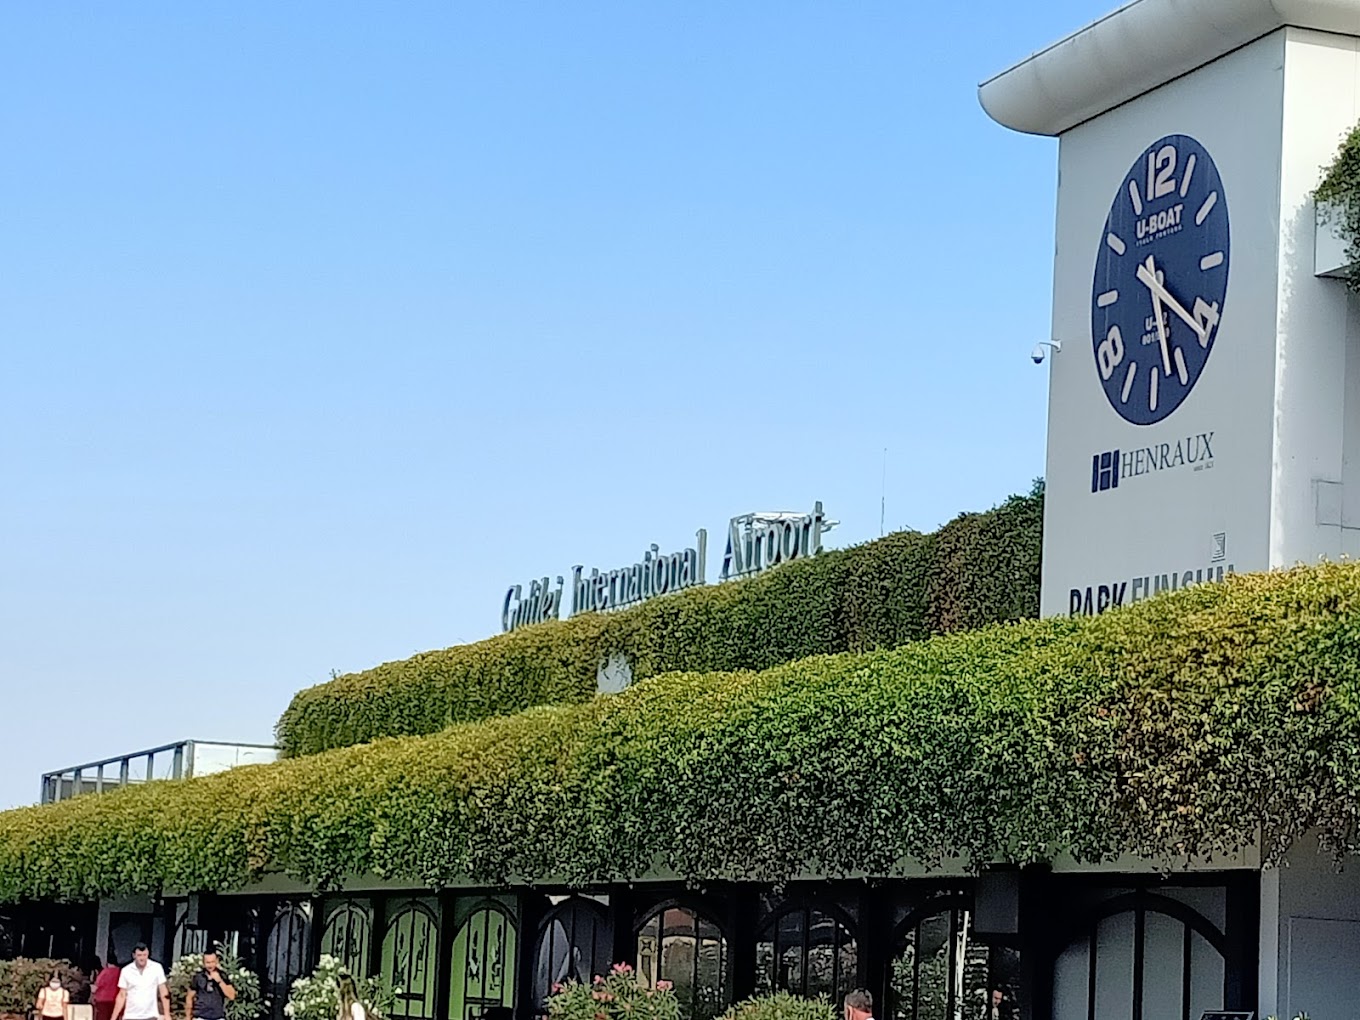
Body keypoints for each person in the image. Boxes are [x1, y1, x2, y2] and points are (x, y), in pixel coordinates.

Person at [112, 944, 171, 1020]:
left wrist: (167, 1015)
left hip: (150, 1016)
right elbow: (121, 995)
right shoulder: (126, 970)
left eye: (144, 955)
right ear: (134, 955)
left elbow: (163, 992)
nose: (142, 958)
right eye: (139, 955)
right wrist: (113, 1017)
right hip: (131, 1016)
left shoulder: (156, 968)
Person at [185, 950, 236, 1020]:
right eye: (208, 962)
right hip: (200, 1016)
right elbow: (189, 997)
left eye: (212, 962)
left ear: (217, 961)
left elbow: (232, 996)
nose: (210, 965)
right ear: (203, 963)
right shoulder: (198, 977)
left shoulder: (223, 976)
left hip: (218, 1017)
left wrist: (219, 981)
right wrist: (188, 1016)